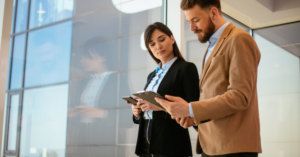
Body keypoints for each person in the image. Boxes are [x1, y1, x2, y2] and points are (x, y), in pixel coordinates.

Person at [155, 0, 262, 157]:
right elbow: (214, 93)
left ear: (213, 12)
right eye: (189, 22)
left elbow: (240, 96)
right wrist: (194, 117)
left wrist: (190, 108)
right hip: (212, 145)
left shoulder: (239, 38)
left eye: (196, 20)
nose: (191, 28)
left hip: (233, 148)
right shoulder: (212, 45)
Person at [129, 22, 200, 157]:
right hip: (146, 143)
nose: (158, 46)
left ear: (172, 39)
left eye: (161, 40)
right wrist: (137, 112)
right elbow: (148, 111)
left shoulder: (186, 68)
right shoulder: (152, 75)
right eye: (152, 44)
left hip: (171, 143)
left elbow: (193, 110)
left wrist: (158, 105)